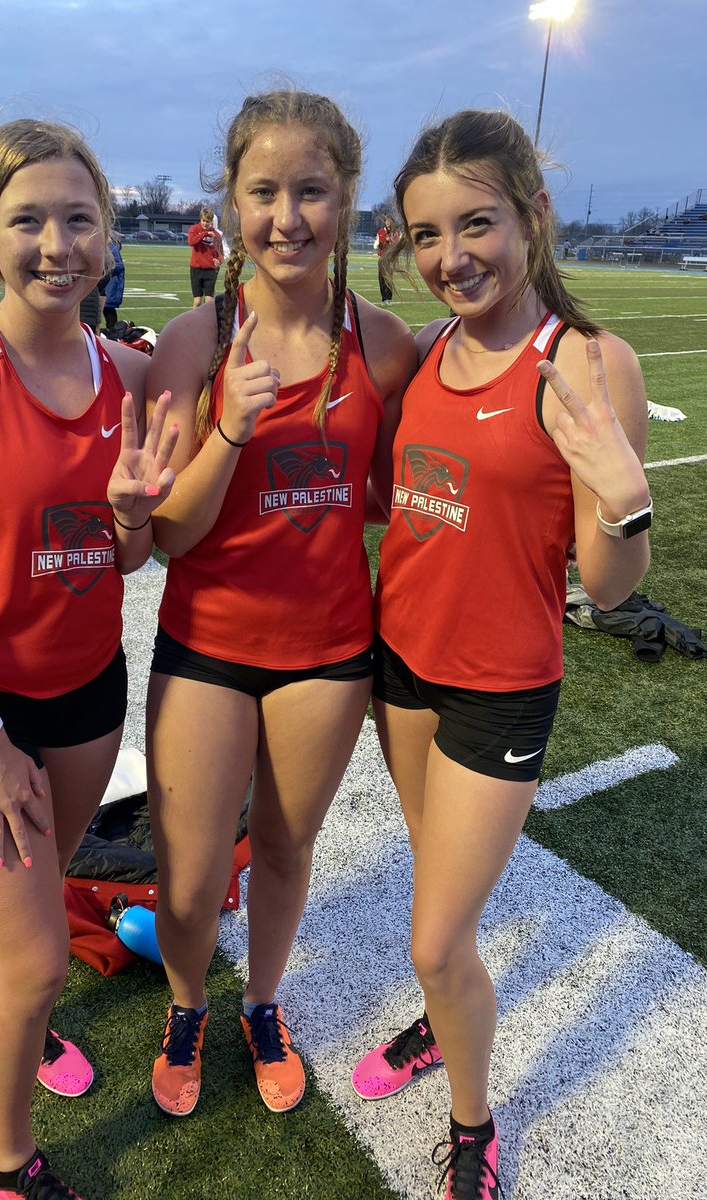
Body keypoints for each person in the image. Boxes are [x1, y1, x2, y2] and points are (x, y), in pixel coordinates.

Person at [349, 110, 651, 1199]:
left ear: (534, 214)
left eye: (475, 224)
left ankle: (474, 1128)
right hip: (400, 666)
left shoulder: (587, 363)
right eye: (428, 235)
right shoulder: (429, 349)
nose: (452, 257)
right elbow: (397, 499)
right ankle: (445, 1019)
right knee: (442, 897)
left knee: (436, 942)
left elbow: (609, 588)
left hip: (501, 689)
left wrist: (623, 498)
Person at [0, 119, 178, 1200]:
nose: (58, 245)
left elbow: (129, 556)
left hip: (89, 690)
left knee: (43, 900)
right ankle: (7, 1170)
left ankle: (32, 1015)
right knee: (34, 961)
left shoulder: (133, 374)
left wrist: (134, 515)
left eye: (79, 219)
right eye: (28, 221)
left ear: (108, 235)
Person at [145, 89, 416, 1118]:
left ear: (346, 200)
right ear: (232, 201)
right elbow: (170, 533)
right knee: (188, 873)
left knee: (288, 848)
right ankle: (186, 1006)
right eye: (264, 192)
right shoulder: (194, 342)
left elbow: (390, 494)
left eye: (312, 191)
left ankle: (262, 1003)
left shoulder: (383, 344)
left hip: (329, 650)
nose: (288, 217)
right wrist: (228, 428)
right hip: (207, 645)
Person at [186, 205, 223, 307]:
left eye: (208, 221)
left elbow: (221, 252)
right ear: (200, 219)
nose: (205, 223)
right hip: (196, 269)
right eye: (203, 221)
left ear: (211, 222)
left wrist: (219, 260)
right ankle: (195, 317)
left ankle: (209, 317)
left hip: (210, 270)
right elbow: (191, 241)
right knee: (197, 301)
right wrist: (205, 234)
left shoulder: (216, 235)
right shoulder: (194, 229)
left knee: (209, 301)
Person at [101, 235, 125, 330]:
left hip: (109, 281)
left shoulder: (111, 246)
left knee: (108, 307)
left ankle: (112, 331)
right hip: (106, 281)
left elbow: (118, 265)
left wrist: (104, 268)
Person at [374, 214, 398, 303]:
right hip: (382, 258)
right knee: (381, 279)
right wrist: (383, 242)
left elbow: (397, 244)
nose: (388, 223)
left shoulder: (395, 233)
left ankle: (389, 297)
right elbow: (376, 245)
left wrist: (391, 241)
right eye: (387, 221)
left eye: (389, 221)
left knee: (389, 278)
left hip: (390, 259)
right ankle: (384, 298)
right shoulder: (381, 232)